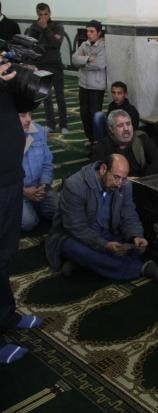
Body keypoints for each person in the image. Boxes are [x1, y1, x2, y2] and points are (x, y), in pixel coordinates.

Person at [45, 154, 158, 282]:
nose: (119, 184)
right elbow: (76, 227)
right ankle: (139, 268)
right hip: (75, 236)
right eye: (116, 177)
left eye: (123, 179)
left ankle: (80, 263)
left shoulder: (124, 185)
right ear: (103, 169)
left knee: (131, 246)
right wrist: (104, 245)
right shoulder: (74, 185)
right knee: (79, 250)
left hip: (107, 233)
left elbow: (129, 215)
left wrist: (136, 236)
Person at [0, 62, 44, 365]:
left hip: (10, 177)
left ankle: (6, 315)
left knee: (5, 254)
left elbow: (25, 105)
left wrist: (25, 80)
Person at [25, 2, 68, 134]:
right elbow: (31, 47)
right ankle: (51, 124)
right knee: (46, 96)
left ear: (50, 13)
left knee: (60, 96)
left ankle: (63, 125)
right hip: (41, 66)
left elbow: (56, 43)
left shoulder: (57, 26)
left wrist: (46, 29)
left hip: (55, 66)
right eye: (41, 14)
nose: (43, 17)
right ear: (37, 14)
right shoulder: (33, 28)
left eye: (46, 14)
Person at [91, 109, 158, 177]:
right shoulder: (103, 146)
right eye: (120, 125)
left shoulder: (141, 138)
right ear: (111, 129)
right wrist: (125, 180)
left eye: (128, 124)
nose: (126, 129)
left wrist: (141, 180)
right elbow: (96, 172)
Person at [20, 111, 58, 231]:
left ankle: (33, 207)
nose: (29, 119)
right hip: (16, 192)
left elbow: (47, 163)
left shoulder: (39, 130)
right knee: (28, 223)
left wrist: (44, 184)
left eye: (29, 114)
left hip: (40, 187)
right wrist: (23, 191)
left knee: (60, 211)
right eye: (23, 115)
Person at [71, 19, 106, 144]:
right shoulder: (84, 45)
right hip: (83, 85)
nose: (89, 34)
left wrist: (82, 64)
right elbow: (74, 59)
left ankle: (98, 141)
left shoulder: (103, 46)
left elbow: (99, 64)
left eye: (92, 31)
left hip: (96, 87)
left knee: (94, 116)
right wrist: (87, 59)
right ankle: (91, 139)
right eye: (87, 31)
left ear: (99, 33)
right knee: (84, 115)